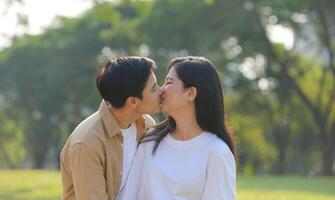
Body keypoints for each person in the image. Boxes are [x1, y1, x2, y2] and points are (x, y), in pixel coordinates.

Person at [122, 56, 237, 200]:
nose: (161, 90)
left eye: (169, 82)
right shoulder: (150, 140)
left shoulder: (216, 152)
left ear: (190, 93)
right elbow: (129, 195)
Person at [60, 56, 161, 200]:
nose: (161, 91)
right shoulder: (87, 142)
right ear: (132, 101)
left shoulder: (146, 125)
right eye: (154, 88)